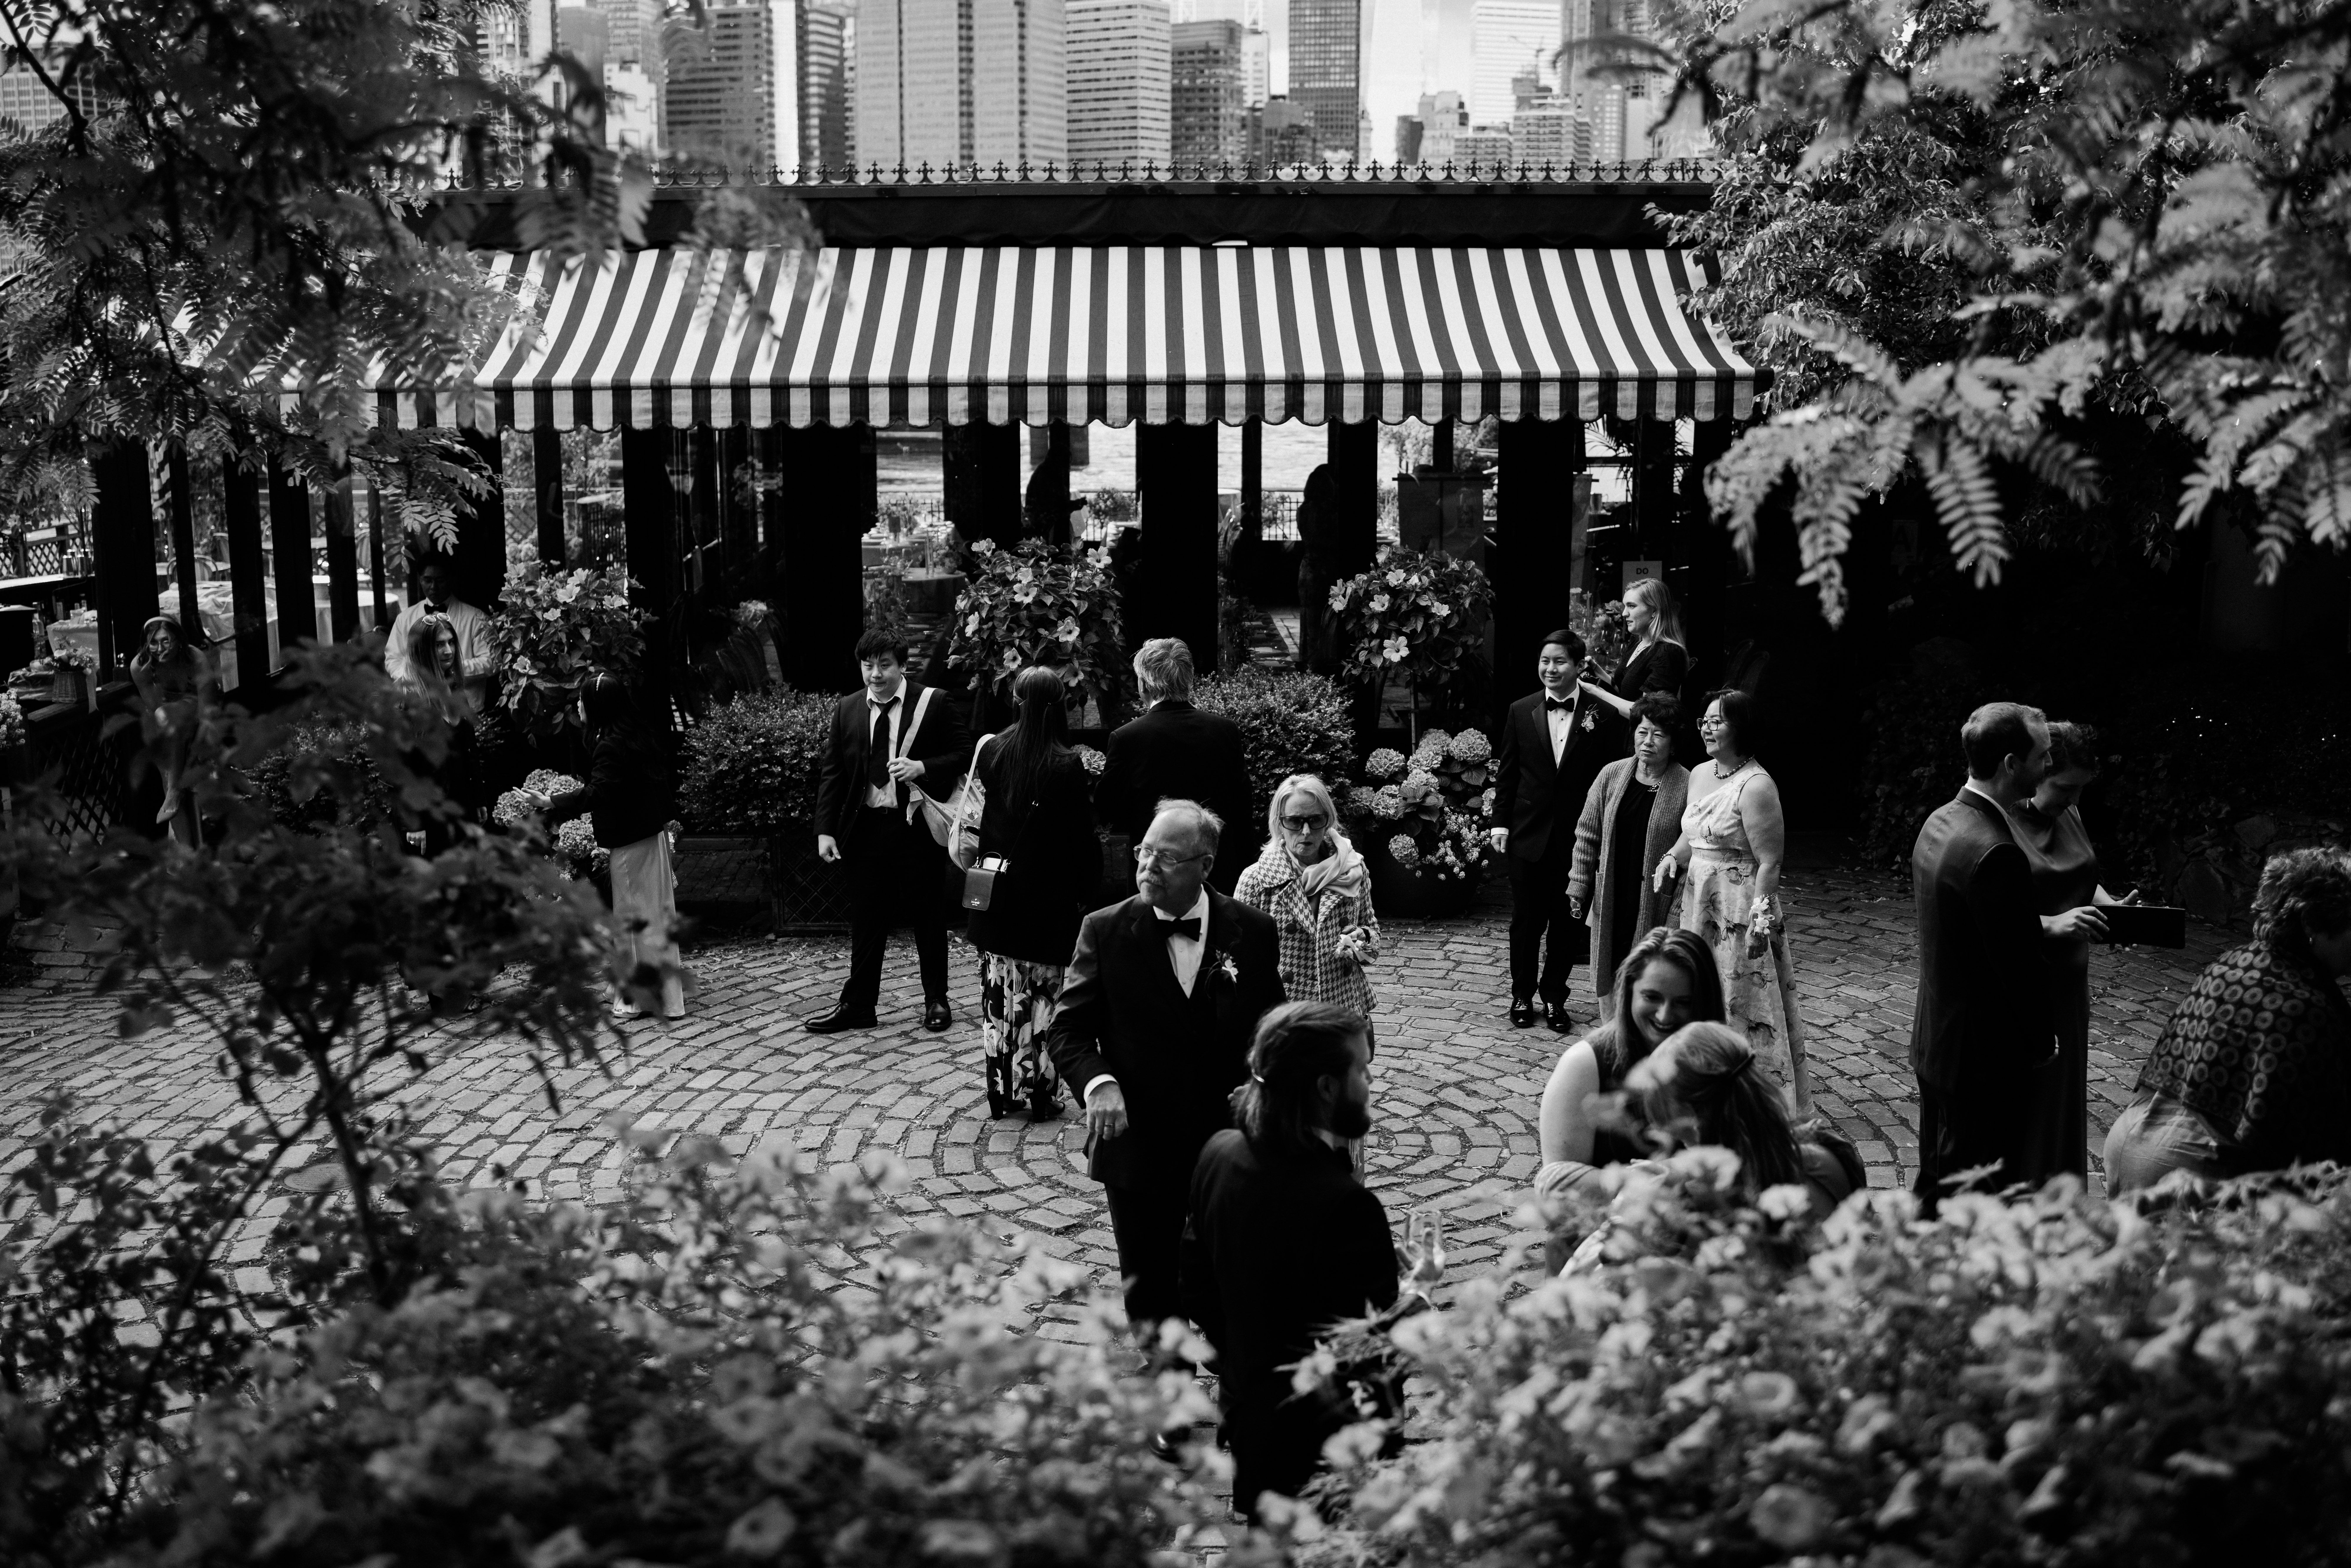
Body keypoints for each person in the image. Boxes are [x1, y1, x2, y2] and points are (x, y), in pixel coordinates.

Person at [1045, 800, 1285, 1342]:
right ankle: (1166, 1400)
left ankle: (1237, 1393)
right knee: (1149, 1279)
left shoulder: (1250, 929)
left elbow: (1272, 1031)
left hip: (1228, 1138)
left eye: (1166, 858)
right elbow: (1067, 1031)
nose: (1147, 867)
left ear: (1205, 866)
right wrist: (1098, 1083)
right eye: (1144, 852)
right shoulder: (1104, 931)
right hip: (1140, 1139)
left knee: (1234, 1268)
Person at [1181, 1001, 1398, 1523]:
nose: (1371, 1084)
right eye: (1362, 1071)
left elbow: (1195, 1285)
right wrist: (1413, 1297)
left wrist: (1240, 1369)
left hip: (1251, 1421)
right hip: (1323, 1450)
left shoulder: (1218, 1153)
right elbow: (1366, 1355)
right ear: (1325, 1088)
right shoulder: (1345, 1206)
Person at [2105, 848, 2351, 1192]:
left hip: (2130, 1142)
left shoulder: (2235, 961)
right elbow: (2312, 1144)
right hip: (2184, 1177)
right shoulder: (2306, 1007)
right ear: (2313, 925)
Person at [1906, 701, 2059, 1209]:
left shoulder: (1940, 820)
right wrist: (2043, 1043)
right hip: (1980, 1064)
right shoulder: (1995, 851)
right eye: (2041, 757)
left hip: (1936, 1042)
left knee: (1936, 1185)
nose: (2047, 767)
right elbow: (2017, 967)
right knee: (1974, 1201)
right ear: (2011, 764)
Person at [805, 628, 970, 1034]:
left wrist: (923, 768)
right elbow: (834, 773)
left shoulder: (933, 703)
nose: (875, 674)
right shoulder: (847, 709)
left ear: (902, 666)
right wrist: (825, 830)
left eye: (884, 665)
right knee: (867, 920)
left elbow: (966, 753)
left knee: (928, 915)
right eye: (868, 665)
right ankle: (859, 1004)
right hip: (864, 831)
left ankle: (937, 1001)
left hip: (914, 827)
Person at [1653, 689, 1807, 1110]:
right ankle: (1700, 1082)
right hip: (1697, 898)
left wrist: (1760, 924)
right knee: (1697, 987)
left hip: (1739, 906)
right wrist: (1671, 857)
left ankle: (1752, 1096)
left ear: (1741, 727)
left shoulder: (1757, 785)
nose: (1706, 726)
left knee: (1741, 995)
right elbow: (1694, 832)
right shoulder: (1700, 773)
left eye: (1717, 720)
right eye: (1704, 720)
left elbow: (1771, 862)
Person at [2002, 720, 2137, 1182]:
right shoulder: (1998, 822)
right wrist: (2051, 924)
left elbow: (2077, 872)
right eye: (2064, 788)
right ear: (2037, 771)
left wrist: (2108, 906)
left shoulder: (2069, 812)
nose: (2073, 801)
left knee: (2062, 1100)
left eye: (2081, 790)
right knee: (2027, 1105)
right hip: (2023, 985)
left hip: (2068, 986)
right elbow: (1984, 912)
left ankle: (2058, 1200)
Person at [965, 665, 1100, 1120]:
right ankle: (1042, 1092)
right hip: (1047, 899)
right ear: (1057, 704)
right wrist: (1088, 891)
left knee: (1000, 995)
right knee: (1043, 1000)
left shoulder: (993, 753)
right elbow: (1082, 840)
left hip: (999, 894)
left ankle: (1001, 1092)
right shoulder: (1064, 764)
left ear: (1017, 701)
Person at [1490, 628, 1629, 1032]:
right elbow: (1508, 773)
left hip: (1579, 839)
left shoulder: (1601, 716)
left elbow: (1611, 779)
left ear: (1579, 666)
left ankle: (1554, 997)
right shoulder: (1521, 710)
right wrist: (1501, 822)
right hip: (1528, 836)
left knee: (1567, 922)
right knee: (1526, 922)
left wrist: (1604, 832)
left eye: (1560, 662)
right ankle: (1521, 994)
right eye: (1545, 661)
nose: (1550, 669)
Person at [528, 674, 688, 1020]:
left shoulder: (611, 745)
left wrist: (550, 800)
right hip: (649, 837)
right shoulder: (634, 735)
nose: (578, 706)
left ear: (597, 707)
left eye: (582, 700)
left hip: (632, 843)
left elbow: (598, 793)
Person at [1534, 926, 1725, 1198]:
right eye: (1652, 997)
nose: (1665, 1015)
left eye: (1683, 1002)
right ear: (1630, 990)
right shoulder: (1585, 1063)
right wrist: (1661, 1177)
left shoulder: (1721, 1059)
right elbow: (1555, 1185)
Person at [1628, 1022, 1860, 1218]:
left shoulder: (1801, 1179)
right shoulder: (1767, 1152)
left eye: (1686, 1141)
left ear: (1698, 1123)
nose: (1687, 1151)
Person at [1098, 638, 1256, 893]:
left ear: (1144, 686)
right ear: (1189, 681)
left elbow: (1109, 810)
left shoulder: (1127, 738)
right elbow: (1242, 808)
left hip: (1154, 875)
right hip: (1216, 876)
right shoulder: (1225, 731)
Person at [1567, 692, 1690, 1011]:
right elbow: (1587, 835)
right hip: (1612, 893)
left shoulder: (1686, 784)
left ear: (1674, 742)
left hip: (1653, 900)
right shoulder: (1612, 774)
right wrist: (1579, 885)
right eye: (1642, 731)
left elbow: (1690, 856)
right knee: (1607, 973)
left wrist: (1676, 912)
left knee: (1647, 978)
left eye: (1659, 734)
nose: (1648, 741)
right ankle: (1613, 1043)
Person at [1233, 774, 1381, 1026]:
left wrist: (1362, 939)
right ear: (1279, 824)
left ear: (1328, 821)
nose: (1306, 831)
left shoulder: (1353, 869)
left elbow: (1372, 933)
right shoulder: (1257, 880)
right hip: (1285, 1016)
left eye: (1315, 820)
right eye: (1294, 821)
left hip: (1342, 1010)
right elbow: (1236, 959)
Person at [396, 611, 485, 853]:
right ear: (423, 651)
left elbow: (470, 749)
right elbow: (405, 770)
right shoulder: (411, 702)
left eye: (451, 642)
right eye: (439, 645)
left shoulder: (457, 692)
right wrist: (412, 824)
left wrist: (478, 798)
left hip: (462, 806)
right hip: (430, 816)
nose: (448, 651)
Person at [128, 613, 215, 841]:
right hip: (167, 722)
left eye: (166, 641)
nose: (160, 648)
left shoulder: (195, 659)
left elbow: (208, 713)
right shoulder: (140, 667)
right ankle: (185, 859)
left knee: (176, 776)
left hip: (196, 710)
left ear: (178, 639)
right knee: (166, 768)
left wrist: (196, 752)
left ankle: (175, 789)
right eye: (153, 642)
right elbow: (156, 708)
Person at [1585, 578, 1690, 725]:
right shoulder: (1638, 643)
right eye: (1625, 606)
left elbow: (1648, 712)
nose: (1624, 614)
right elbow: (1621, 690)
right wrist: (1596, 670)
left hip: (1640, 741)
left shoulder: (1668, 652)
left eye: (1632, 606)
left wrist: (1595, 691)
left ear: (1654, 611)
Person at [383, 554, 491, 696]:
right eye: (428, 580)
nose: (434, 587)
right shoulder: (405, 619)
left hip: (468, 708)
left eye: (440, 580)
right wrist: (416, 678)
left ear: (450, 579)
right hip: (421, 708)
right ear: (420, 580)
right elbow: (393, 659)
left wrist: (450, 670)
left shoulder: (477, 618)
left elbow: (491, 661)